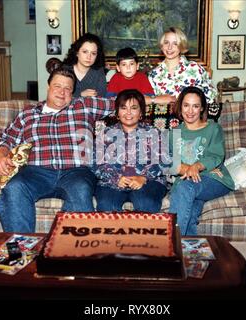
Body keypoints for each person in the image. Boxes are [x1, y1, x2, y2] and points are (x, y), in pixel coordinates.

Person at [0, 66, 114, 233]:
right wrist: (1, 156)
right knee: (14, 188)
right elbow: (5, 140)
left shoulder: (85, 105)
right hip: (36, 172)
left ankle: (72, 253)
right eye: (57, 86)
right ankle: (22, 251)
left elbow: (126, 102)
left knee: (80, 190)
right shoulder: (27, 114)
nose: (62, 92)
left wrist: (158, 100)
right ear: (48, 87)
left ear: (73, 93)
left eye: (67, 88)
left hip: (76, 172)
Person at [169, 86, 234, 236]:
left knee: (185, 189)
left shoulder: (213, 128)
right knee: (190, 213)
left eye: (195, 106)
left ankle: (170, 243)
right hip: (187, 181)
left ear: (202, 108)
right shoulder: (175, 133)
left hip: (213, 179)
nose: (190, 111)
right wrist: (186, 168)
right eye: (186, 105)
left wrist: (197, 166)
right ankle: (189, 252)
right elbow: (171, 163)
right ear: (180, 107)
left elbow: (216, 155)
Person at [95, 89, 168, 213]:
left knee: (146, 203)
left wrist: (143, 177)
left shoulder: (154, 132)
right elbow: (96, 163)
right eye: (123, 108)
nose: (128, 113)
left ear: (141, 112)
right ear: (117, 112)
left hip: (148, 182)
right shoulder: (105, 134)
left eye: (134, 108)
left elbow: (163, 160)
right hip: (113, 182)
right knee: (107, 205)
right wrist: (116, 178)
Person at [148, 27, 217, 104]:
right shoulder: (154, 75)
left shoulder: (195, 69)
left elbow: (212, 96)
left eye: (175, 43)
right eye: (166, 42)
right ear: (162, 45)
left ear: (181, 46)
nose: (169, 47)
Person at [63, 32, 107, 98]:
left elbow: (101, 98)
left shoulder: (99, 72)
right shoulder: (65, 70)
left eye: (93, 53)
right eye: (85, 52)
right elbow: (60, 96)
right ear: (77, 53)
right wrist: (80, 94)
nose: (89, 57)